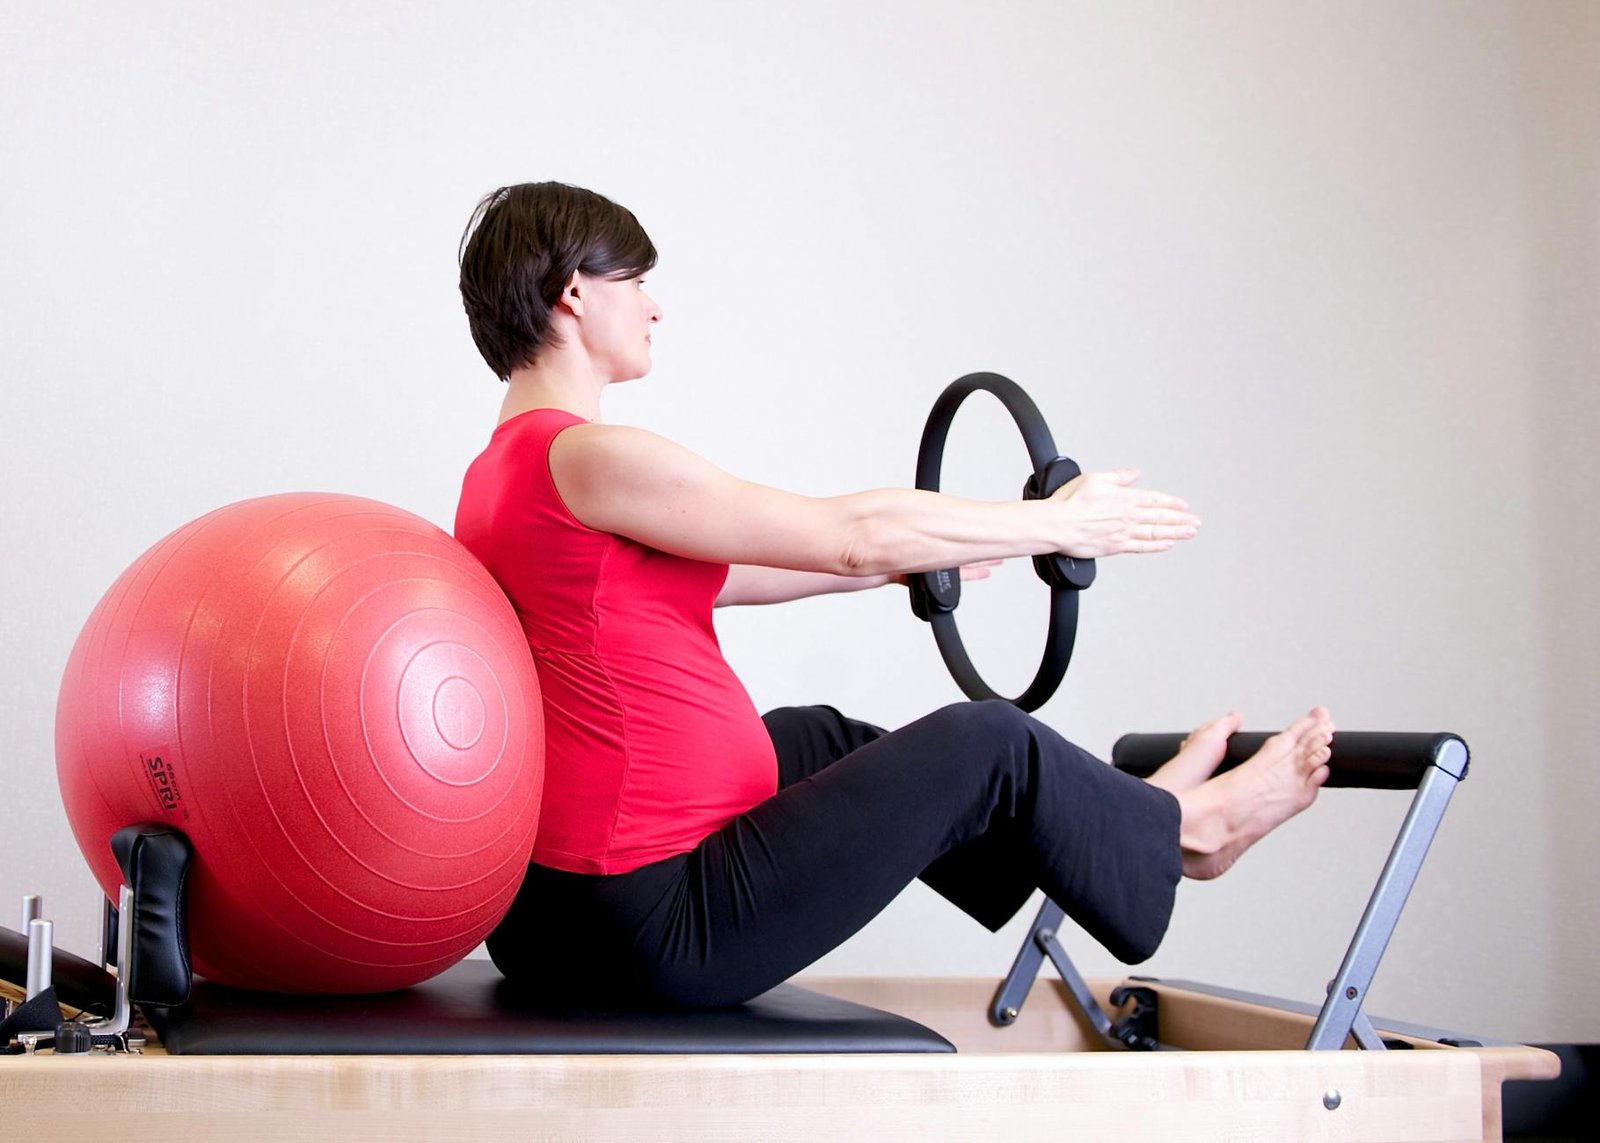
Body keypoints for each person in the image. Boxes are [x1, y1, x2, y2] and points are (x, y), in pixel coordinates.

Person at [453, 182, 1334, 1010]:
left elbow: (737, 569)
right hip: (647, 921)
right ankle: (1190, 829)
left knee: (814, 736)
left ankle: (1117, 822)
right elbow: (850, 528)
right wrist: (1056, 525)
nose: (654, 305)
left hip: (556, 914)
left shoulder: (504, 471)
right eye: (637, 281)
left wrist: (893, 570)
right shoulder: (592, 456)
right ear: (574, 293)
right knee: (986, 740)